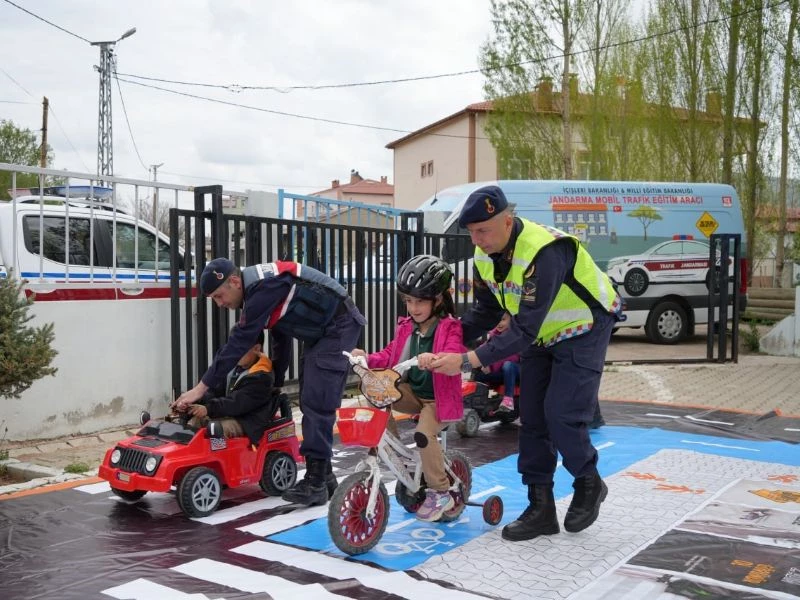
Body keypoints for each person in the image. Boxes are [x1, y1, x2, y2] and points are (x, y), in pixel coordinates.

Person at [429, 185, 622, 542]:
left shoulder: (545, 250)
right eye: (471, 232)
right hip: (539, 334)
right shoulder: (484, 255)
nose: (477, 239)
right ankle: (540, 509)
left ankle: (588, 481)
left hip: (583, 325)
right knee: (531, 417)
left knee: (561, 413)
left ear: (507, 220)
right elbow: (486, 310)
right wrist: (446, 340)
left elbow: (524, 325)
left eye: (483, 230)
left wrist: (468, 360)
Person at [174, 258, 366, 506]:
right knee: (310, 398)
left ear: (234, 281)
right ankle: (325, 477)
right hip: (322, 331)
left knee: (317, 400)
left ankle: (316, 482)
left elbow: (240, 341)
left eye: (220, 296)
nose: (220, 304)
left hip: (337, 327)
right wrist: (274, 381)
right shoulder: (260, 290)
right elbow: (280, 334)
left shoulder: (263, 288)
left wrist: (202, 388)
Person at [350, 255, 464, 522]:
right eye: (408, 301)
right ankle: (396, 452)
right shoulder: (406, 327)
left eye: (420, 301)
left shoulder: (450, 327)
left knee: (424, 434)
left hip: (438, 400)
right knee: (377, 391)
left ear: (438, 299)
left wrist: (435, 359)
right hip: (413, 395)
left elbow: (454, 351)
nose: (413, 307)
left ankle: (441, 490)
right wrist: (366, 358)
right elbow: (392, 354)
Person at [182, 329, 279, 445]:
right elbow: (214, 390)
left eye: (240, 349)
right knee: (194, 420)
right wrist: (195, 403)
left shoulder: (262, 377)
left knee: (215, 429)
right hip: (229, 413)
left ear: (257, 349)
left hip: (247, 421)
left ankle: (215, 460)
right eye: (233, 348)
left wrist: (208, 409)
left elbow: (236, 403)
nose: (235, 353)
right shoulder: (234, 367)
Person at [472, 311, 520, 413]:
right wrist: (476, 358)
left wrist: (491, 365)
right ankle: (477, 400)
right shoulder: (495, 335)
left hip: (515, 371)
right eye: (497, 320)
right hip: (500, 372)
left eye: (503, 320)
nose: (499, 323)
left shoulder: (515, 336)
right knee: (477, 374)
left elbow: (513, 357)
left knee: (508, 365)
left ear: (511, 320)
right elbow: (485, 348)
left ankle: (508, 399)